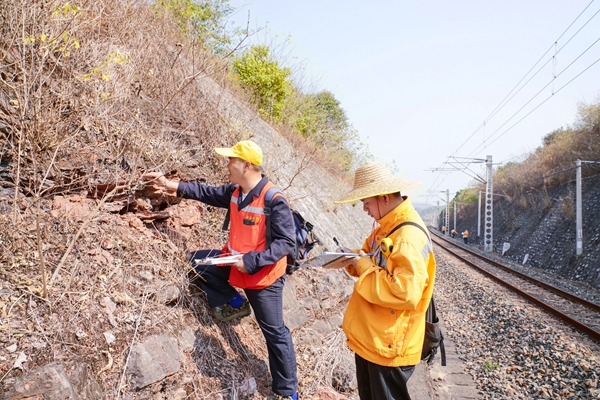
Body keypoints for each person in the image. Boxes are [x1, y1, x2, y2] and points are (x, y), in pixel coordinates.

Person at [143, 140, 298, 400]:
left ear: (246, 165)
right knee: (194, 263)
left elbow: (286, 243)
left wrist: (251, 262)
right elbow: (204, 192)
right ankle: (235, 303)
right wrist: (169, 185)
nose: (227, 165)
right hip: (232, 263)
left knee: (274, 333)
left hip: (263, 278)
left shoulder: (273, 199)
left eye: (231, 160)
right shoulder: (235, 192)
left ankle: (288, 392)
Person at [333, 162, 437, 400]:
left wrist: (363, 266)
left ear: (384, 198)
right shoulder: (386, 227)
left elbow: (404, 293)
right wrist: (350, 259)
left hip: (389, 344)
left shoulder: (407, 237)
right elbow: (368, 258)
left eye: (366, 203)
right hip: (375, 338)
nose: (364, 209)